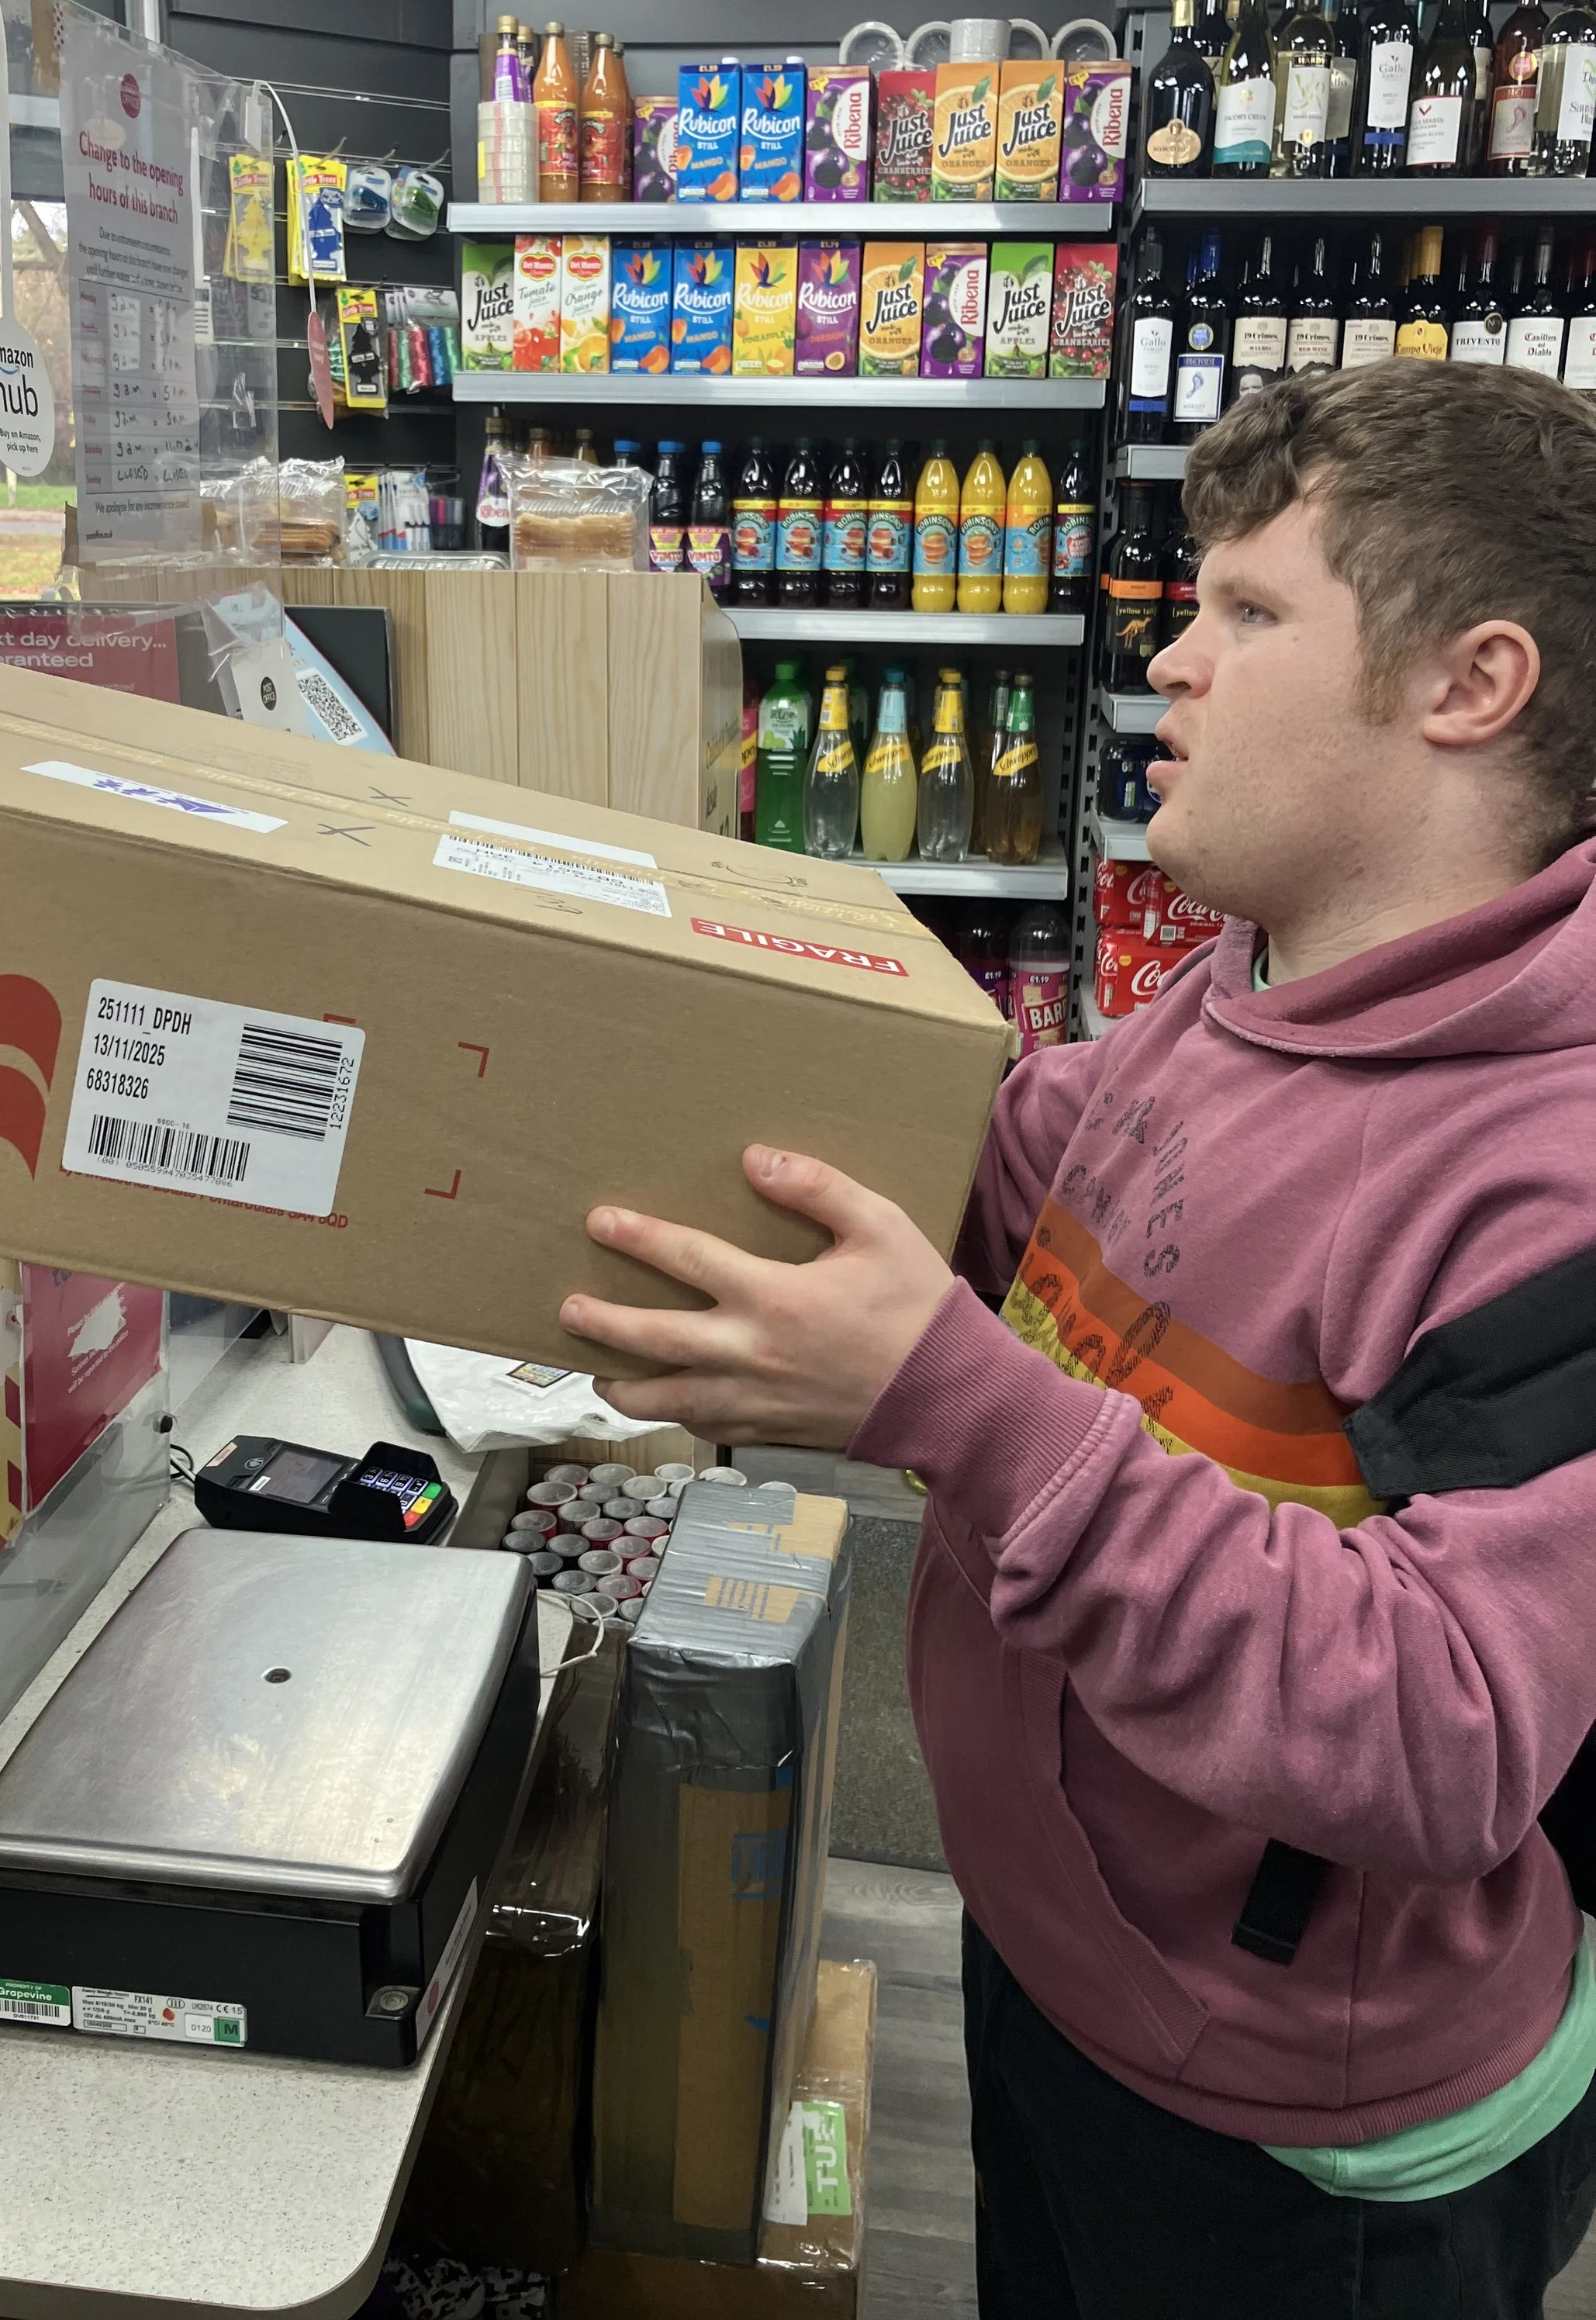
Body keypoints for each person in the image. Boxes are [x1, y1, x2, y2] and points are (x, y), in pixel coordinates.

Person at [560, 361, 1596, 2319]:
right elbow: (1014, 1164)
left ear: (1470, 684)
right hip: (1066, 1960)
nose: (1172, 660)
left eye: (1249, 613)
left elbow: (1443, 1729)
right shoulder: (1244, 989)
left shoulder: (1550, 1172)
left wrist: (952, 1403)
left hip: (1312, 2145)